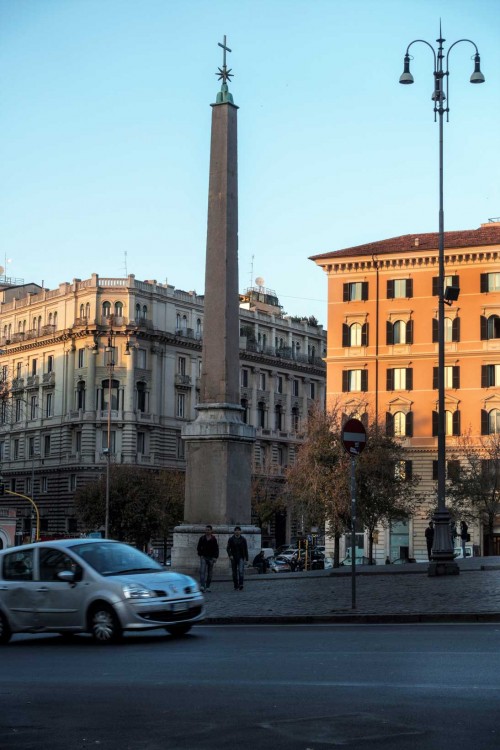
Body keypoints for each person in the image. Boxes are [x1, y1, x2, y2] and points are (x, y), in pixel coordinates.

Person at [197, 525, 219, 592]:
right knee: (202, 572)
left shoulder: (214, 539)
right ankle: (202, 586)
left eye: (209, 530)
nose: (207, 531)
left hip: (211, 558)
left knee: (210, 573)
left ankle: (208, 586)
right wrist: (200, 555)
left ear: (211, 531)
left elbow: (216, 549)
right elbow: (198, 547)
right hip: (203, 557)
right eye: (206, 530)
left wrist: (215, 557)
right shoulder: (202, 538)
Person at [227, 526, 248, 590]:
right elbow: (228, 548)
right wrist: (230, 555)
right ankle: (236, 585)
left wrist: (246, 559)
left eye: (238, 530)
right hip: (233, 557)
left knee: (241, 571)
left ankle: (241, 584)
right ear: (234, 531)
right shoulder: (231, 539)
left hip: (241, 557)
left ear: (240, 532)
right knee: (234, 572)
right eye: (236, 530)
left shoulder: (243, 539)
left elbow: (245, 549)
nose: (237, 531)